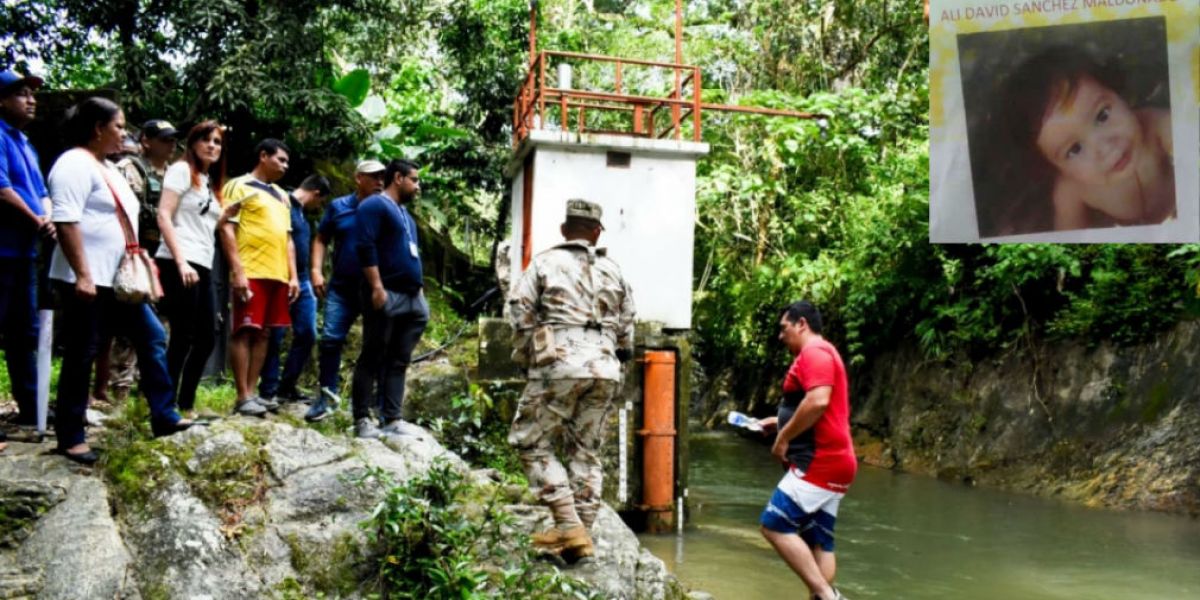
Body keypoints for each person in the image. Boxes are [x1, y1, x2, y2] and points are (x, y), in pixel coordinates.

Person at [48, 97, 192, 464]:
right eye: (118, 126)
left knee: (152, 335)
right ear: (97, 128)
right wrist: (82, 274)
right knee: (82, 353)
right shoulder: (73, 164)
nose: (123, 133)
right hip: (88, 278)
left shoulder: (107, 167)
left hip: (118, 281)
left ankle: (164, 415)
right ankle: (70, 436)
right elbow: (66, 221)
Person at [506, 198, 636, 563]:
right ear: (596, 233)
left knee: (530, 441)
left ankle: (567, 524)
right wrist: (615, 352)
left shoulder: (546, 262)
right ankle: (585, 534)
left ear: (565, 231)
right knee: (586, 449)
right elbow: (628, 327)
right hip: (605, 368)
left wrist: (528, 352)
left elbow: (519, 310)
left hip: (559, 364)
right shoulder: (615, 271)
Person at [1002, 47, 1174, 231]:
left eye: (1103, 115)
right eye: (1075, 149)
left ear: (1119, 95)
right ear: (1054, 167)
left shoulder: (1159, 128)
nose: (1106, 147)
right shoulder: (1071, 191)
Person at [760, 301, 856, 600]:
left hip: (820, 460)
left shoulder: (814, 352)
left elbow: (818, 401)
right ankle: (822, 596)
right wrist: (780, 422)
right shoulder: (826, 352)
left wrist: (783, 438)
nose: (780, 335)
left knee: (773, 524)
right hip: (837, 461)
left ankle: (828, 597)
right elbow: (817, 407)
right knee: (819, 541)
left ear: (802, 324)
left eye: (784, 328)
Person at [218, 138, 297, 416]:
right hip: (250, 269)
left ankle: (253, 392)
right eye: (280, 160)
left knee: (265, 333)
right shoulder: (238, 186)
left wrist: (293, 276)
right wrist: (237, 271)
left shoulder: (281, 194)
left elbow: (288, 239)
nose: (285, 166)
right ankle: (242, 395)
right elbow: (227, 228)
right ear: (263, 156)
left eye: (287, 162)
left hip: (277, 273)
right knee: (244, 329)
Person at [350, 159, 427, 438]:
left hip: (412, 296)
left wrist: (419, 290)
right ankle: (361, 419)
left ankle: (392, 417)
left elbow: (411, 252)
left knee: (399, 358)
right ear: (398, 178)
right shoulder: (374, 205)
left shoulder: (406, 216)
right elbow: (365, 244)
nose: (417, 186)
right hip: (385, 292)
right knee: (373, 353)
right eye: (414, 180)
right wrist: (377, 287)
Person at [155, 120, 225, 418]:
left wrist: (226, 215)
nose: (212, 146)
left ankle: (185, 402)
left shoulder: (207, 181)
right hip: (178, 261)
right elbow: (163, 215)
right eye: (206, 140)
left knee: (207, 336)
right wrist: (181, 260)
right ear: (193, 143)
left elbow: (203, 224)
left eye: (218, 142)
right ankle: (166, 405)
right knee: (183, 334)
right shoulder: (181, 170)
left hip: (203, 262)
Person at [306, 159, 385, 421]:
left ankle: (373, 403)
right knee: (330, 340)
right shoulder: (339, 207)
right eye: (373, 177)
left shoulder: (386, 208)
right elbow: (321, 238)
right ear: (358, 178)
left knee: (376, 345)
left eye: (382, 177)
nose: (379, 182)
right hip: (341, 288)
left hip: (374, 290)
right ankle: (327, 398)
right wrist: (316, 271)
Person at [0, 69, 54, 450]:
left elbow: (40, 190)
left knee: (25, 333)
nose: (31, 100)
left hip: (24, 253)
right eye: (21, 93)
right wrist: (37, 218)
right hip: (0, 250)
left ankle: (31, 407)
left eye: (32, 94)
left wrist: (47, 214)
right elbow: (2, 189)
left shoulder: (26, 142)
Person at [260, 174, 331, 405]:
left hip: (302, 278)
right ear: (317, 193)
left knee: (308, 333)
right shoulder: (284, 203)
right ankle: (268, 389)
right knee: (275, 335)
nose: (318, 207)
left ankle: (286, 387)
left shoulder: (301, 213)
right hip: (282, 275)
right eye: (320, 202)